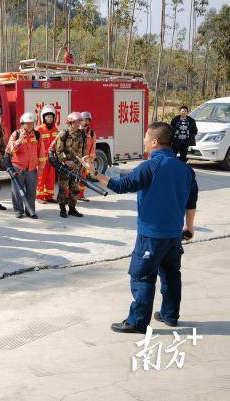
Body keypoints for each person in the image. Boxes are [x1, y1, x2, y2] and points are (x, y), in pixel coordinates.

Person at [79, 122, 198, 334]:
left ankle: (137, 321)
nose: (143, 141)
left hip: (151, 235)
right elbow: (191, 202)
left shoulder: (149, 167)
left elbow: (121, 185)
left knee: (142, 276)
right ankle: (170, 315)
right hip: (173, 235)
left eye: (145, 138)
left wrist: (94, 173)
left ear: (154, 142)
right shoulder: (185, 169)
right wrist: (188, 227)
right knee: (171, 274)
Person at [6, 112, 45, 219]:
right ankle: (18, 210)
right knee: (17, 191)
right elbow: (10, 149)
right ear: (22, 124)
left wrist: (41, 167)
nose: (29, 126)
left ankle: (30, 210)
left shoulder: (37, 135)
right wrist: (19, 141)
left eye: (31, 123)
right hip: (18, 168)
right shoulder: (16, 134)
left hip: (32, 169)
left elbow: (41, 152)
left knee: (32, 191)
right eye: (27, 124)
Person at [54, 111, 85, 218]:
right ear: (70, 123)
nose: (79, 124)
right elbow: (58, 150)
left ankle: (72, 209)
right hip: (65, 167)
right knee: (63, 188)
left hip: (76, 167)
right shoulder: (63, 133)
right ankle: (62, 209)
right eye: (76, 122)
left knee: (75, 189)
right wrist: (66, 161)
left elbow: (82, 150)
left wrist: (82, 164)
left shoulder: (81, 134)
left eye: (79, 121)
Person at [36, 104, 59, 203]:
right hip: (42, 160)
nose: (49, 118)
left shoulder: (55, 130)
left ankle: (49, 196)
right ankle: (39, 197)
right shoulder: (38, 130)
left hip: (52, 159)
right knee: (41, 178)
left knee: (51, 178)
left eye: (51, 116)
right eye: (47, 116)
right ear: (43, 118)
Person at [78, 111, 97, 202]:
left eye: (87, 120)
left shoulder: (92, 133)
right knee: (73, 178)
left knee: (83, 178)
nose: (85, 122)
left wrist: (91, 160)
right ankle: (71, 196)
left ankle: (81, 195)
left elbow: (93, 148)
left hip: (86, 161)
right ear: (80, 121)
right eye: (83, 120)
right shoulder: (76, 131)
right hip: (77, 160)